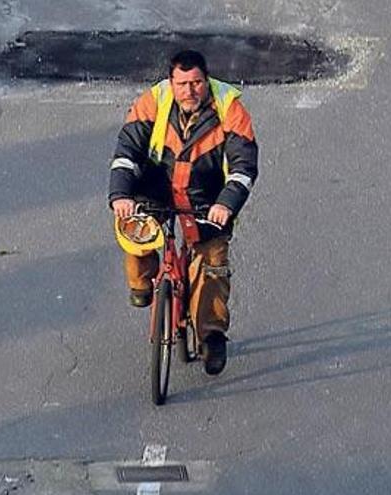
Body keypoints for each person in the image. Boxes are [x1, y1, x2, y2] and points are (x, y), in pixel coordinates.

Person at [108, 50, 259, 375]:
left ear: (206, 81)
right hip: (156, 192)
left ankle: (211, 336)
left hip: (207, 200)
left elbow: (243, 167)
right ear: (171, 82)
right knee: (133, 232)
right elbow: (127, 152)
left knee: (211, 265)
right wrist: (121, 194)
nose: (189, 91)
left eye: (196, 83)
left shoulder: (230, 108)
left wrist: (225, 204)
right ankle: (143, 282)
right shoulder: (154, 100)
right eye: (182, 84)